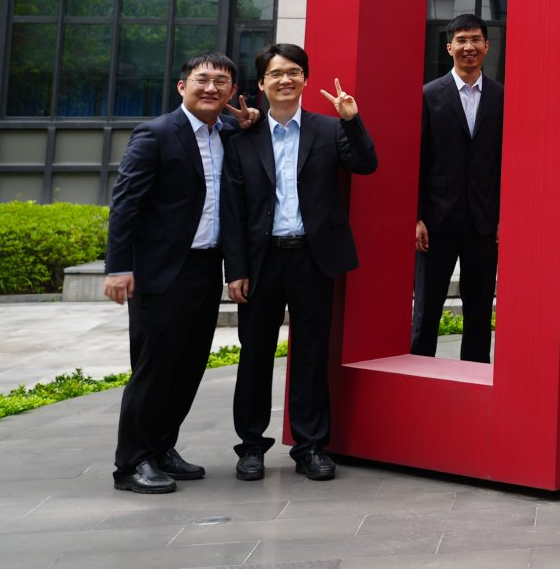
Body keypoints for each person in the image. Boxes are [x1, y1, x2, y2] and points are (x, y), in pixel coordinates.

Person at [222, 44, 378, 482]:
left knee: (311, 354)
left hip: (313, 258)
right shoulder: (243, 137)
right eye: (276, 74)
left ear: (306, 79)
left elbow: (366, 164)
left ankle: (310, 446)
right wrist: (235, 270)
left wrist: (352, 119)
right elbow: (232, 211)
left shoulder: (328, 129)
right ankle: (251, 446)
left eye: (293, 72)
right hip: (261, 261)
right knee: (255, 355)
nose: (285, 80)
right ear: (262, 83)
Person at [103, 53, 258, 494]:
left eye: (221, 82)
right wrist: (118, 268)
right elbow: (125, 205)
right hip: (160, 271)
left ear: (232, 92)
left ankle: (161, 447)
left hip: (206, 267)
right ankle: (132, 463)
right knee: (154, 367)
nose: (211, 88)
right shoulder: (154, 134)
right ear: (182, 86)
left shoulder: (228, 131)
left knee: (188, 365)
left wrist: (251, 120)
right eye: (202, 80)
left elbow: (251, 134)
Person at [411, 14, 503, 362]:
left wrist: (505, 216)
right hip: (436, 220)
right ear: (449, 47)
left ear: (486, 46)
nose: (469, 47)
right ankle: (419, 375)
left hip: (484, 221)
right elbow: (417, 158)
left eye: (476, 39)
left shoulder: (502, 97)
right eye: (461, 40)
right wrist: (417, 216)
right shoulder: (428, 95)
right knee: (427, 306)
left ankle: (476, 377)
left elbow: (508, 161)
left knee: (479, 308)